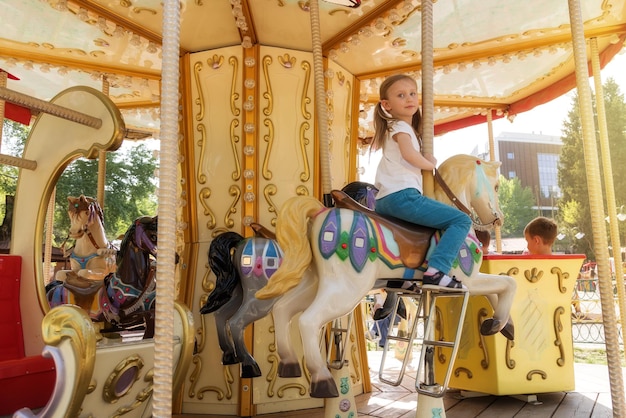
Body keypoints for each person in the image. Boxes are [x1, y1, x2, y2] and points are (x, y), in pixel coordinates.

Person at [371, 74, 472, 291]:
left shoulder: (398, 128)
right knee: (461, 220)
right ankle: (437, 271)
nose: (409, 99)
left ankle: (399, 275)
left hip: (385, 200)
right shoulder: (400, 127)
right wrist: (428, 164)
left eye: (412, 94)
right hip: (402, 195)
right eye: (401, 95)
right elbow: (408, 154)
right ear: (386, 105)